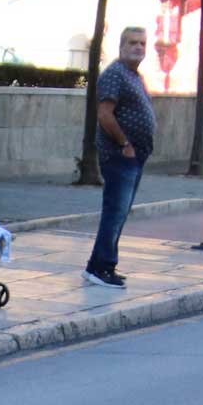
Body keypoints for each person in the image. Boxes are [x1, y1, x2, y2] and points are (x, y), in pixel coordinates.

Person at [83, 25, 155, 287]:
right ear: (121, 46)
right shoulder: (115, 74)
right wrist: (125, 143)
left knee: (120, 213)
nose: (138, 47)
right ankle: (100, 268)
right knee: (115, 212)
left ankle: (101, 264)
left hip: (134, 156)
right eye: (133, 43)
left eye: (143, 43)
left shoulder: (133, 75)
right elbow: (104, 114)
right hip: (119, 155)